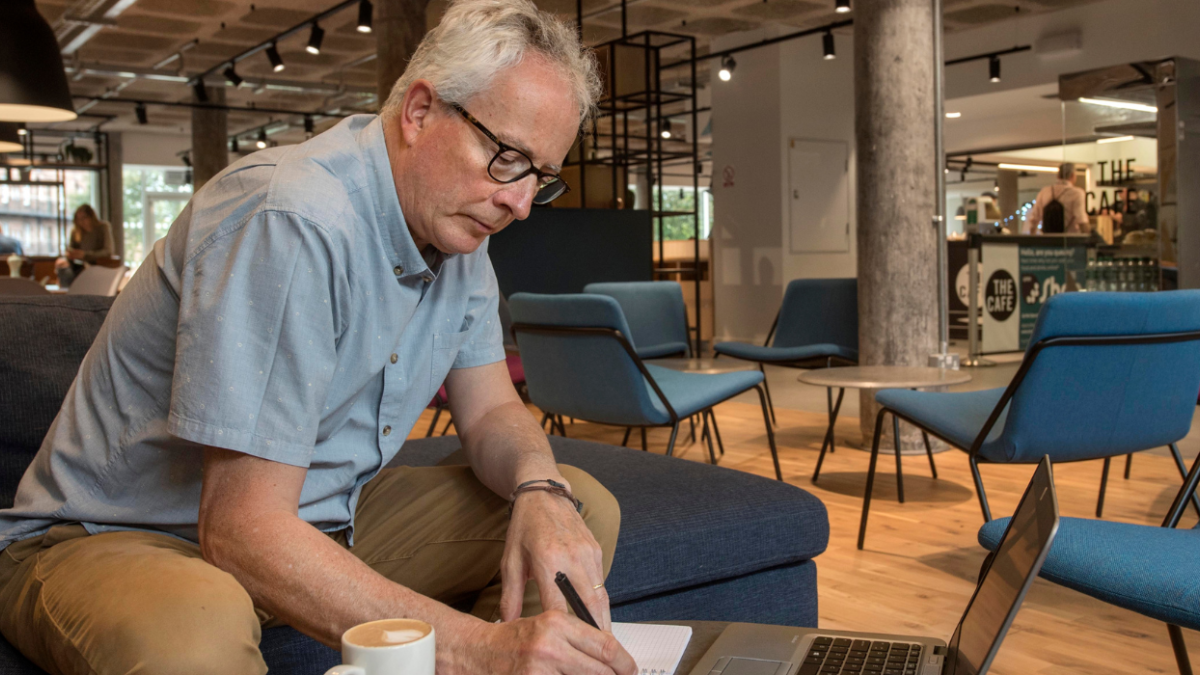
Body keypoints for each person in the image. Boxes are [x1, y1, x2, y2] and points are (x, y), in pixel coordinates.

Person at [0, 1, 634, 674]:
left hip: (318, 524)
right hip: (128, 535)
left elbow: (494, 412)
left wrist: (540, 488)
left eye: (540, 176)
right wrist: (477, 648)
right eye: (507, 158)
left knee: (575, 513)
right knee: (197, 636)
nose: (519, 203)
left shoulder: (462, 238)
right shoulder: (294, 216)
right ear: (420, 111)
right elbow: (241, 528)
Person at [54, 204, 115, 287]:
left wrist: (85, 255)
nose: (81, 221)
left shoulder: (103, 228)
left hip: (96, 265)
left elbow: (108, 251)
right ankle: (67, 293)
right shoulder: (76, 232)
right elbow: (71, 249)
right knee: (62, 265)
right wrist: (70, 255)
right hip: (78, 265)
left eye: (84, 218)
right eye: (78, 219)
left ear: (91, 217)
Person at [1024, 163, 1090, 234]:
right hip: (1069, 239)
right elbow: (1082, 221)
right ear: (1073, 176)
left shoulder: (1044, 191)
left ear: (1058, 176)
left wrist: (1033, 240)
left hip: (1048, 239)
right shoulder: (1077, 193)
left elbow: (1034, 219)